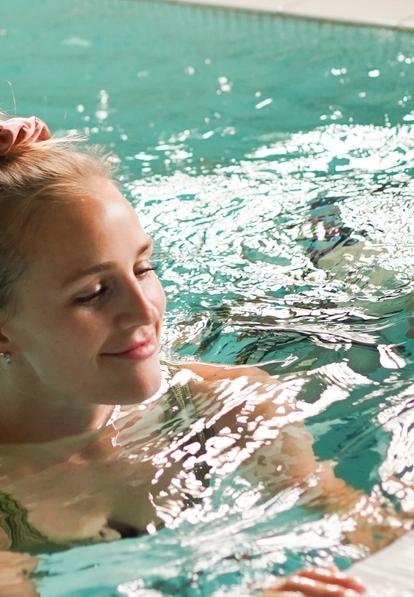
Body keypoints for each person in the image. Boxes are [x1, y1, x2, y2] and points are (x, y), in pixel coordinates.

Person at [0, 114, 405, 596]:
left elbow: (362, 527)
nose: (143, 308)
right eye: (92, 293)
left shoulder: (225, 403)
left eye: (144, 267)